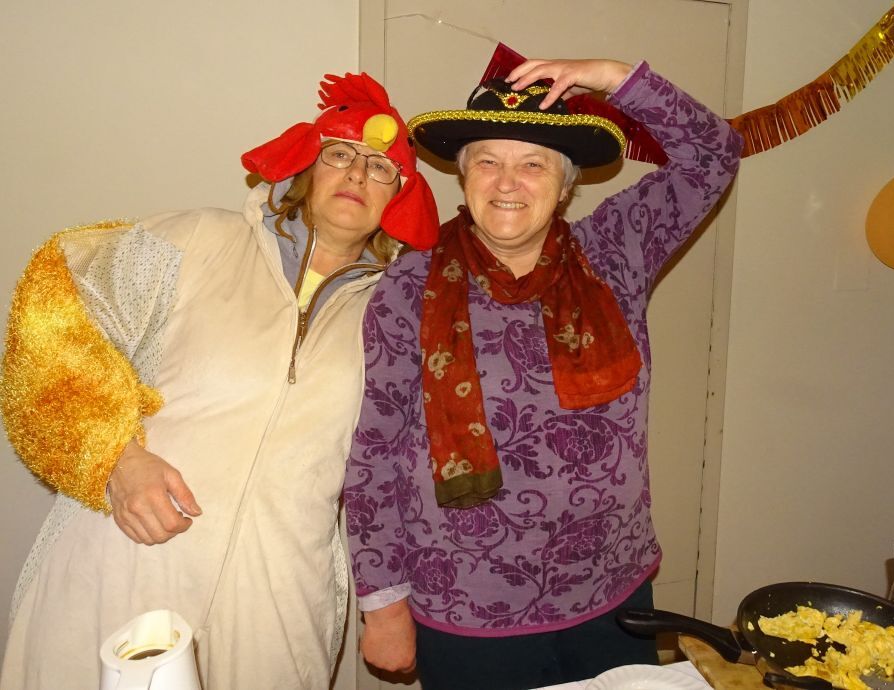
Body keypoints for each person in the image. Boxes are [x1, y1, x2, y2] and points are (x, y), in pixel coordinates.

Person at [0, 72, 438, 689]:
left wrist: (390, 601)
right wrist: (113, 457)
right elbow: (58, 300)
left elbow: (405, 467)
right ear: (305, 167)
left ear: (400, 196)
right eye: (340, 155)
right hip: (128, 554)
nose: (358, 175)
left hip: (278, 594)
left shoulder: (398, 312)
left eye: (381, 168)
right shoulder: (199, 239)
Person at [343, 57, 742, 689]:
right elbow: (375, 450)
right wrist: (382, 603)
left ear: (565, 187)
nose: (508, 182)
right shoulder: (408, 285)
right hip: (467, 609)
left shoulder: (615, 251)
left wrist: (612, 76)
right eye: (488, 160)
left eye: (534, 164)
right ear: (464, 176)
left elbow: (714, 153)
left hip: (612, 594)